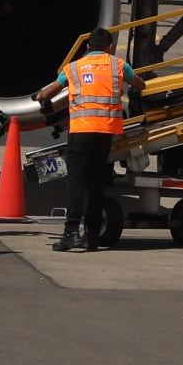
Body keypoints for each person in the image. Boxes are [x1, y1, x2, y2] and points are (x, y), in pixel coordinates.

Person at [34, 27, 133, 253]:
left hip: (80, 132)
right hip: (106, 132)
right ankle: (91, 236)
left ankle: (71, 233)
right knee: (96, 184)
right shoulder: (118, 65)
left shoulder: (74, 68)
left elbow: (49, 92)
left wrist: (41, 96)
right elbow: (139, 83)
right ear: (110, 48)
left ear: (87, 47)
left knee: (76, 182)